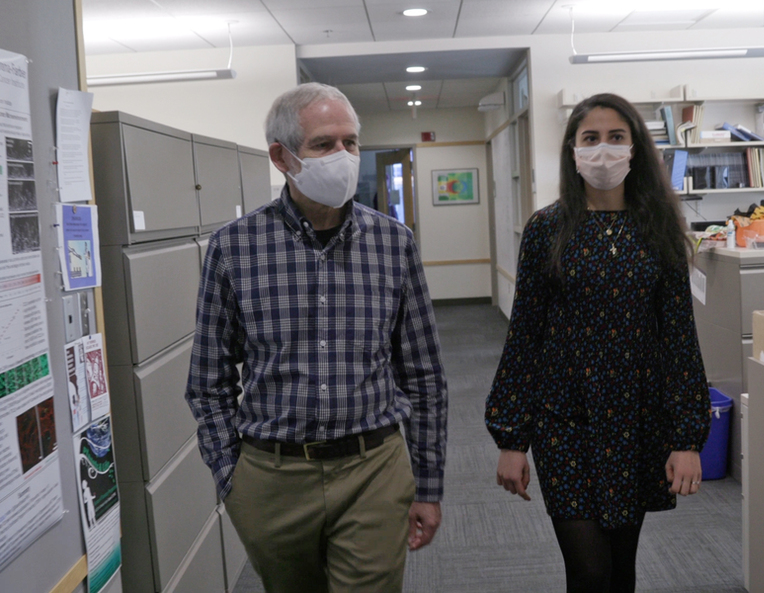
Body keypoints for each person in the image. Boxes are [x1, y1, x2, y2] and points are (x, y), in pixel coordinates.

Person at [185, 82, 448, 593]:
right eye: (324, 145)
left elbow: (424, 375)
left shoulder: (394, 244)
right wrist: (231, 477)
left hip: (373, 467)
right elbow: (208, 380)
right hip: (271, 477)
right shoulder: (234, 248)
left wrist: (430, 484)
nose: (344, 156)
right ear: (282, 157)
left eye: (351, 142)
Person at [485, 93, 711, 593]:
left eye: (616, 137)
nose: (603, 150)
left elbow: (678, 340)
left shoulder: (661, 230)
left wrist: (687, 438)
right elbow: (525, 336)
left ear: (636, 149)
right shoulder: (547, 229)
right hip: (563, 420)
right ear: (572, 150)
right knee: (589, 571)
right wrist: (511, 438)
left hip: (636, 419)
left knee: (621, 567)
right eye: (591, 138)